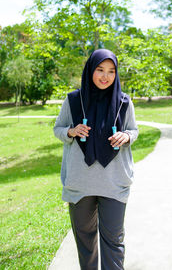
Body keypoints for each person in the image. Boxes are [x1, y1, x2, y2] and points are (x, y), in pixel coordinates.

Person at [53, 49, 139, 270]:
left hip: (114, 183)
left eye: (111, 71)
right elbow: (58, 128)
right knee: (85, 243)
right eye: (100, 69)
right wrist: (71, 132)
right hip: (80, 184)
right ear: (90, 69)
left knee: (114, 242)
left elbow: (133, 130)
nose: (105, 76)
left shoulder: (124, 102)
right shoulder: (73, 100)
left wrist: (127, 136)